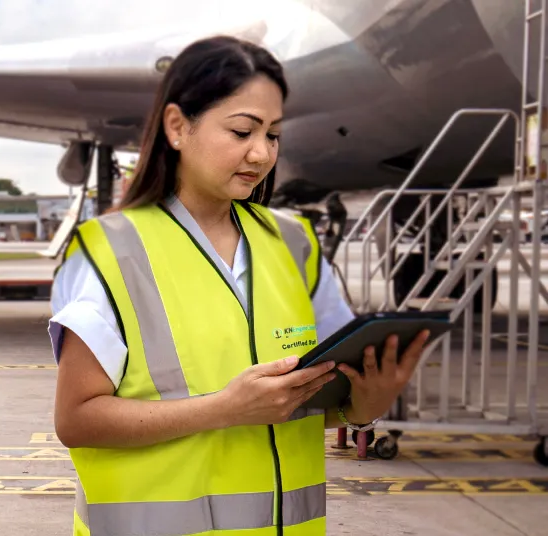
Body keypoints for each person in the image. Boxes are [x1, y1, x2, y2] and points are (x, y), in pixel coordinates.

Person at [48, 35, 432, 536]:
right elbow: (76, 420)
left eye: (273, 134)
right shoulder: (108, 251)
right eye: (242, 131)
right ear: (178, 126)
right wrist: (224, 410)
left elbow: (319, 403)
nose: (261, 153)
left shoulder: (292, 245)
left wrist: (366, 404)